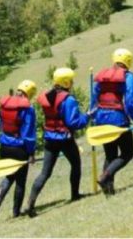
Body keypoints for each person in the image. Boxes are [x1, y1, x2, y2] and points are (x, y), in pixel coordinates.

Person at [25, 67, 89, 217]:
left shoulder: (46, 96)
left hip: (49, 139)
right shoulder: (69, 99)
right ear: (66, 82)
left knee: (45, 173)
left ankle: (30, 204)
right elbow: (73, 122)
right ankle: (75, 195)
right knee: (76, 164)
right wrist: (87, 116)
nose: (72, 83)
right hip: (65, 140)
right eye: (71, 81)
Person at [91, 48, 133, 196]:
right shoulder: (128, 77)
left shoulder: (102, 77)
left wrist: (94, 118)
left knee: (110, 155)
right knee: (128, 152)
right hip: (118, 120)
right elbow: (130, 103)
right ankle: (105, 176)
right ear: (129, 61)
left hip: (101, 119)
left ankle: (109, 191)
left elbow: (94, 101)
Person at [0, 80, 37, 220]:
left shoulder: (5, 105)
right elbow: (29, 134)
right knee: (20, 181)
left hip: (4, 146)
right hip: (19, 148)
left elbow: (1, 125)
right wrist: (31, 152)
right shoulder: (28, 109)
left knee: (9, 177)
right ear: (30, 94)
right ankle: (16, 212)